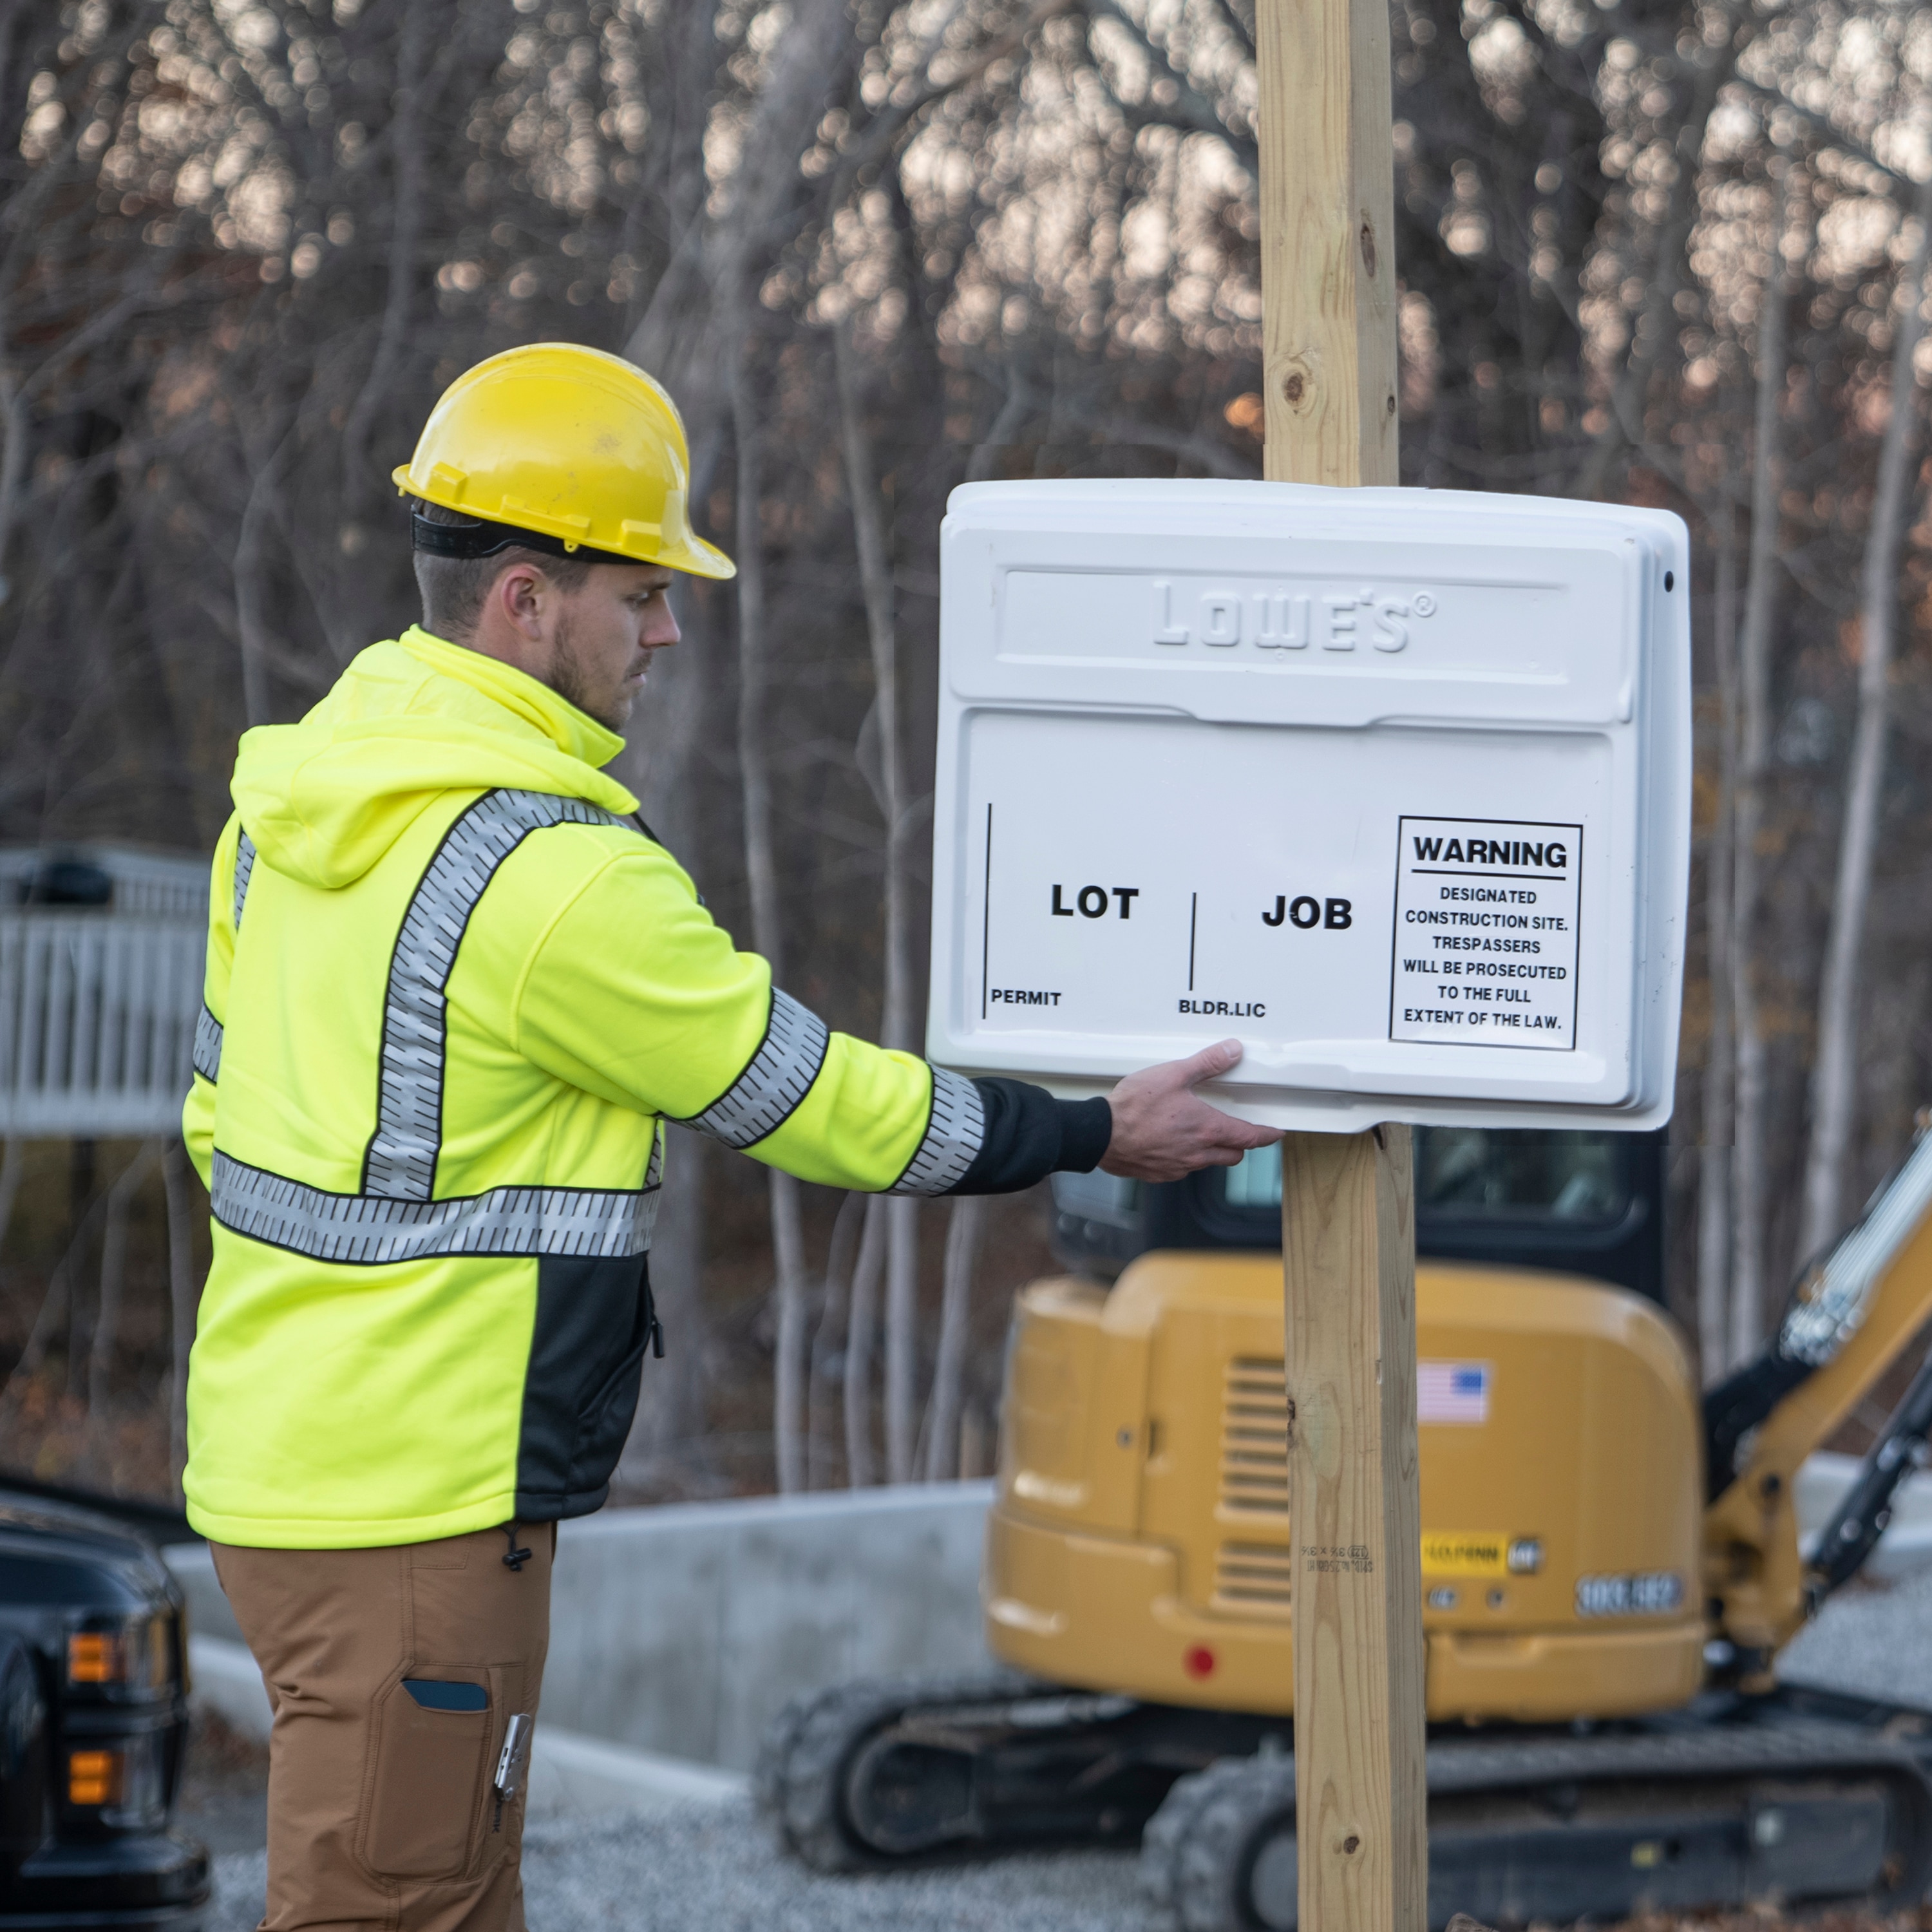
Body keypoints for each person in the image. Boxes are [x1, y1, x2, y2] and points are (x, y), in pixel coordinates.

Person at [181, 341, 1279, 1932]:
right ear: (526, 601)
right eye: (642, 593)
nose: (670, 629)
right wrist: (1092, 1128)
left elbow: (219, 1122)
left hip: (287, 1475)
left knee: (450, 1895)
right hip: (412, 1513)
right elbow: (821, 1106)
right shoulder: (556, 880)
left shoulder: (286, 810)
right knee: (394, 1911)